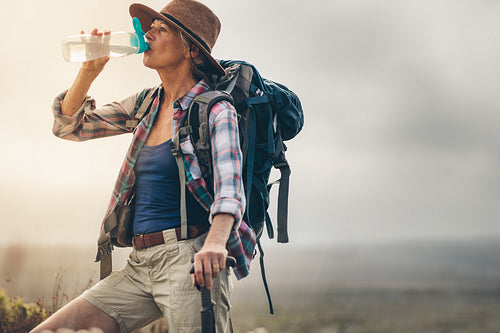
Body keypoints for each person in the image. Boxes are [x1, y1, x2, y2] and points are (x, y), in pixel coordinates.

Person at [31, 1, 256, 332]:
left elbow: (230, 189)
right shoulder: (147, 103)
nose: (147, 33)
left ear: (192, 50)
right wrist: (89, 71)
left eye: (161, 29)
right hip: (140, 264)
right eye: (150, 27)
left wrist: (215, 244)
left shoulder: (216, 110)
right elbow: (70, 127)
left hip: (189, 262)